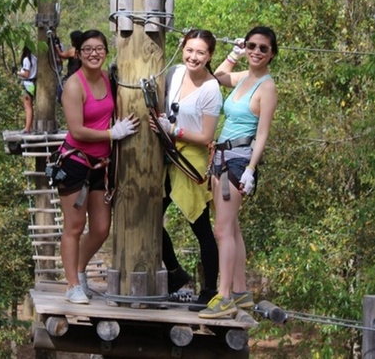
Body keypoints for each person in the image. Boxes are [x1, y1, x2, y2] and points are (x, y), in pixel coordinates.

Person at [53, 29, 139, 304]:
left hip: (101, 165)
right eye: (88, 49)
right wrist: (112, 134)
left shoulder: (107, 78)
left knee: (101, 228)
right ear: (78, 54)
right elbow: (77, 131)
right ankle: (72, 284)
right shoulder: (74, 86)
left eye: (99, 48)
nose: (94, 53)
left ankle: (78, 270)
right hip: (76, 162)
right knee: (74, 227)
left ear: (106, 51)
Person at [198, 26, 278, 319]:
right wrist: (234, 53)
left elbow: (263, 133)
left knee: (221, 230)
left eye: (263, 48)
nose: (256, 52)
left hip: (240, 159)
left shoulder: (266, 87)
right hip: (221, 153)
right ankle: (241, 292)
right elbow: (216, 77)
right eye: (252, 46)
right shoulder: (245, 78)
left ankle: (225, 295)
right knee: (230, 228)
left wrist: (251, 170)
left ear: (272, 54)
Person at [150, 29, 222, 307]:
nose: (194, 57)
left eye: (200, 52)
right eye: (190, 50)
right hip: (167, 154)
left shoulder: (211, 88)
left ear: (209, 56)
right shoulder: (176, 72)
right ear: (183, 49)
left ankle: (209, 290)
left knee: (201, 226)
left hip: (191, 159)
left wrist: (173, 129)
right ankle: (175, 271)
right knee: (152, 217)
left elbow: (206, 136)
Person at [17, 45, 37, 133]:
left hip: (27, 84)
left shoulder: (27, 59)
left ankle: (27, 128)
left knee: (28, 107)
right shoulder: (35, 58)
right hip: (32, 83)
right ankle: (30, 127)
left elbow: (26, 74)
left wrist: (17, 72)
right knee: (30, 106)